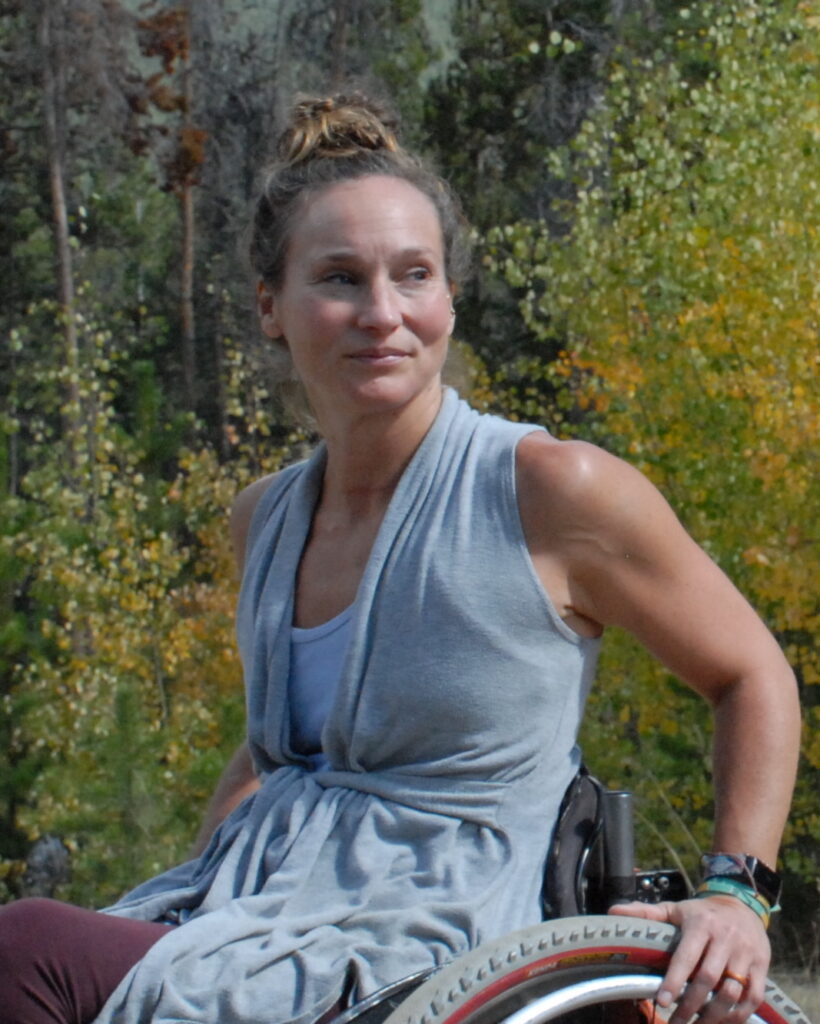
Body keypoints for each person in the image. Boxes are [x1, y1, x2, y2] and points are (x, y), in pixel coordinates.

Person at [0, 93, 800, 1024]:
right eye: (340, 278)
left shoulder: (549, 488)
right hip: (265, 907)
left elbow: (751, 674)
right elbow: (286, 748)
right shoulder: (264, 519)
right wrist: (213, 870)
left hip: (449, 929)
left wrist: (737, 895)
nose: (382, 314)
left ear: (449, 299)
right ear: (270, 306)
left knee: (24, 948)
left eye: (413, 275)